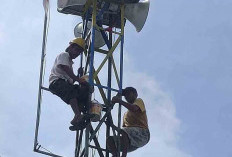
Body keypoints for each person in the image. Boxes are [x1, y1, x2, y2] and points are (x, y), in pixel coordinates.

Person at [49, 38, 90, 126]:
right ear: (71, 47)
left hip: (65, 84)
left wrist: (79, 76)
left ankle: (79, 118)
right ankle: (78, 115)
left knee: (82, 91)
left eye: (79, 52)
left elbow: (71, 79)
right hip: (57, 82)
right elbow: (65, 69)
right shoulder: (64, 55)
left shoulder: (70, 63)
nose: (77, 54)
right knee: (71, 92)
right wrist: (78, 79)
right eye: (76, 50)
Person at [107, 87, 150, 157]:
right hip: (131, 140)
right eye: (125, 95)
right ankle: (115, 155)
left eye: (128, 94)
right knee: (110, 140)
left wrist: (119, 101)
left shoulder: (138, 101)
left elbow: (133, 108)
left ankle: (123, 156)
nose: (126, 97)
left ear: (135, 94)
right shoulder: (126, 115)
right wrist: (112, 125)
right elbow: (122, 132)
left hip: (143, 134)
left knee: (125, 131)